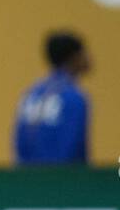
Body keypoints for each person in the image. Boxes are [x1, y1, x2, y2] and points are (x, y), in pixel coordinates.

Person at [12, 30, 91, 165]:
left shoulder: (32, 94)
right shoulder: (74, 97)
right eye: (84, 53)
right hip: (62, 180)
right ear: (74, 57)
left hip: (28, 179)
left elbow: (19, 143)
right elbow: (75, 148)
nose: (89, 58)